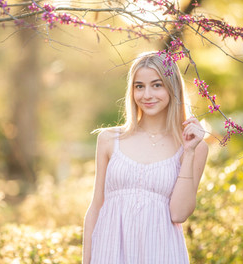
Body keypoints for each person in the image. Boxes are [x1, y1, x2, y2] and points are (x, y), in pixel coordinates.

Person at [82, 51, 208, 264]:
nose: (147, 94)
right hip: (109, 254)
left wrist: (189, 152)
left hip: (162, 255)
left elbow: (178, 214)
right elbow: (96, 206)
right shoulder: (109, 139)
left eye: (157, 85)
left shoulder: (193, 147)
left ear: (173, 87)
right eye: (139, 86)